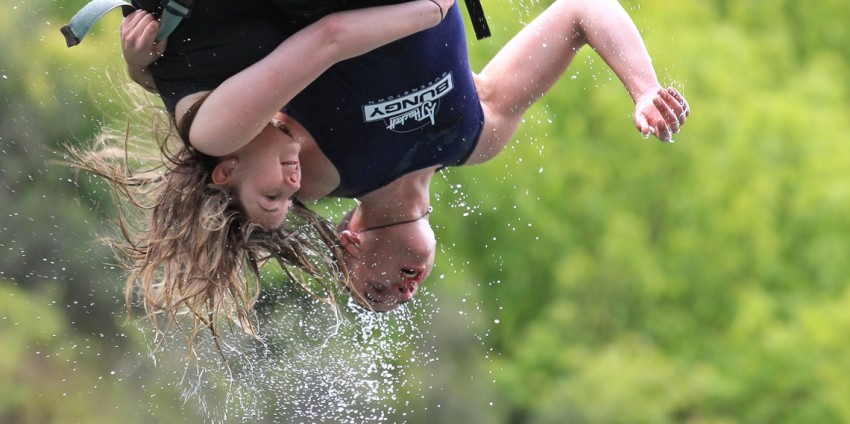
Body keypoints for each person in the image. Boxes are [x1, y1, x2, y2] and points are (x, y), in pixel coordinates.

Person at [121, 0, 690, 314]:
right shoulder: (479, 136)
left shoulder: (314, 173)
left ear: (349, 246)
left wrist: (143, 69)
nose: (402, 293)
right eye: (399, 298)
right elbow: (581, 9)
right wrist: (641, 89)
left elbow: (224, 135)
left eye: (374, 291)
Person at [70, 0, 454, 344]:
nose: (294, 182)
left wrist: (436, 9)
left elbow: (330, 37)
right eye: (288, 198)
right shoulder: (216, 124)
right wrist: (138, 67)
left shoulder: (218, 134)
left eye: (272, 196)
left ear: (225, 175)